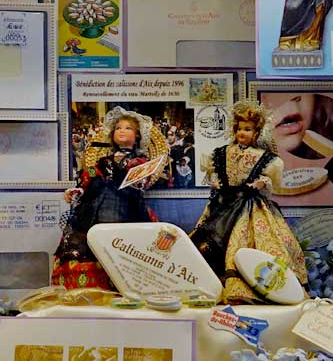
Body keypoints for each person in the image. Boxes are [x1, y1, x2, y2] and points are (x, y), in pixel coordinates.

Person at [189, 100, 307, 303]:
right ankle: (212, 286)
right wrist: (216, 182)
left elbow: (268, 178)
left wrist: (259, 184)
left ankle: (247, 288)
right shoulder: (223, 152)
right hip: (223, 204)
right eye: (239, 129)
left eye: (247, 129)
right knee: (209, 240)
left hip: (249, 206)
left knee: (250, 242)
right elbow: (213, 173)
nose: (242, 133)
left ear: (256, 133)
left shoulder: (263, 157)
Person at [53, 107, 167, 290]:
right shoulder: (102, 162)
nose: (122, 131)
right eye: (118, 128)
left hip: (126, 208)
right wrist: (78, 191)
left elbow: (141, 182)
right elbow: (89, 179)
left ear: (137, 136)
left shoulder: (141, 162)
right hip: (94, 209)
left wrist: (133, 178)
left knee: (122, 249)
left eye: (128, 128)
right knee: (83, 243)